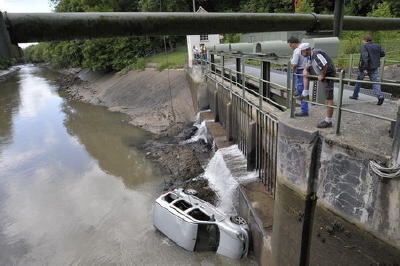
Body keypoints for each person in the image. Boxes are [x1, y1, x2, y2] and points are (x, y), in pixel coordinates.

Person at [299, 43, 337, 128]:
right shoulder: (310, 56)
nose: (301, 54)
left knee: (329, 99)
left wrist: (322, 75)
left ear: (306, 50)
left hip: (328, 75)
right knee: (305, 74)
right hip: (320, 73)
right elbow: (308, 65)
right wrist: (305, 70)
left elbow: (325, 64)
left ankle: (328, 121)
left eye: (302, 52)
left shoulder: (316, 54)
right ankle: (305, 93)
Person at [349, 35, 385, 105]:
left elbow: (365, 57)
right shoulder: (377, 45)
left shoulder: (364, 46)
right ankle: (380, 96)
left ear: (365, 40)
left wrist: (365, 68)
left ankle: (355, 95)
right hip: (374, 67)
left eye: (363, 40)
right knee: (375, 82)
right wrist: (375, 57)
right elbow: (383, 54)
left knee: (358, 82)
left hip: (365, 68)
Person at [287, 36, 308, 116]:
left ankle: (304, 110)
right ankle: (304, 109)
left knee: (301, 90)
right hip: (306, 70)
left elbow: (294, 64)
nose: (290, 47)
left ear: (293, 44)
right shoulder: (304, 48)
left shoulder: (297, 51)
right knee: (303, 90)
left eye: (290, 45)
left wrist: (291, 61)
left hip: (300, 71)